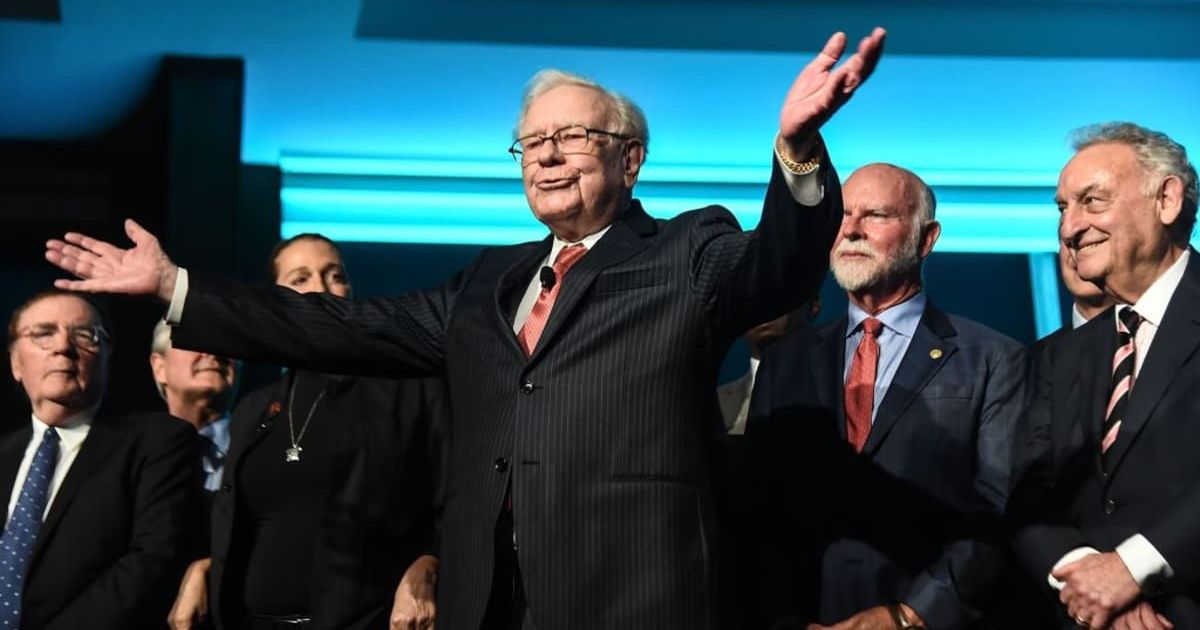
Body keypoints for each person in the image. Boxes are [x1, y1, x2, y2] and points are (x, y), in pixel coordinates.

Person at [46, 28, 886, 630]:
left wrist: (800, 153)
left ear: (631, 159)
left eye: (572, 137)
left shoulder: (686, 248)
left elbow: (778, 266)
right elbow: (340, 326)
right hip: (486, 597)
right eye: (531, 143)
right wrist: (175, 287)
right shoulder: (489, 279)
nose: (548, 156)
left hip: (632, 590)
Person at [746, 163, 1030, 629]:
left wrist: (912, 614)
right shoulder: (787, 363)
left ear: (926, 238)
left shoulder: (994, 359)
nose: (852, 230)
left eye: (875, 215)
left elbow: (1001, 507)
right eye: (843, 215)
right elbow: (758, 508)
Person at [167, 233, 449, 630]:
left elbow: (458, 499)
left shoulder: (411, 388)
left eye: (335, 275)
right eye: (300, 279)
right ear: (273, 301)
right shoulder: (253, 409)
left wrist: (429, 564)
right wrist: (205, 568)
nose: (320, 288)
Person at [1010, 122, 1200, 629]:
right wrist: (1088, 582)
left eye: (1092, 202)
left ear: (1167, 200)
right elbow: (1026, 496)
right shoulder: (1061, 356)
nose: (1069, 229)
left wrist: (1132, 568)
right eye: (1062, 208)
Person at [1, 290, 200, 628]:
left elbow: (151, 561)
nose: (63, 347)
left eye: (84, 335)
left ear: (107, 355)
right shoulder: (4, 454)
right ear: (16, 363)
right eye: (43, 334)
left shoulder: (157, 441)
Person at [150, 318, 239, 498]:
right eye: (196, 340)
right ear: (160, 368)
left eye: (227, 343)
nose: (214, 353)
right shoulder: (137, 458)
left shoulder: (263, 450)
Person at [716, 298, 819, 435]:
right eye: (752, 296)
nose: (762, 306)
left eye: (778, 291)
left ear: (813, 304)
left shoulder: (840, 389)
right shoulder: (712, 405)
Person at [1034, 242, 1115, 351]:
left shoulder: (1143, 341)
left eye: (1095, 241)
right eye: (1069, 240)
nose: (1080, 251)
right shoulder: (1035, 362)